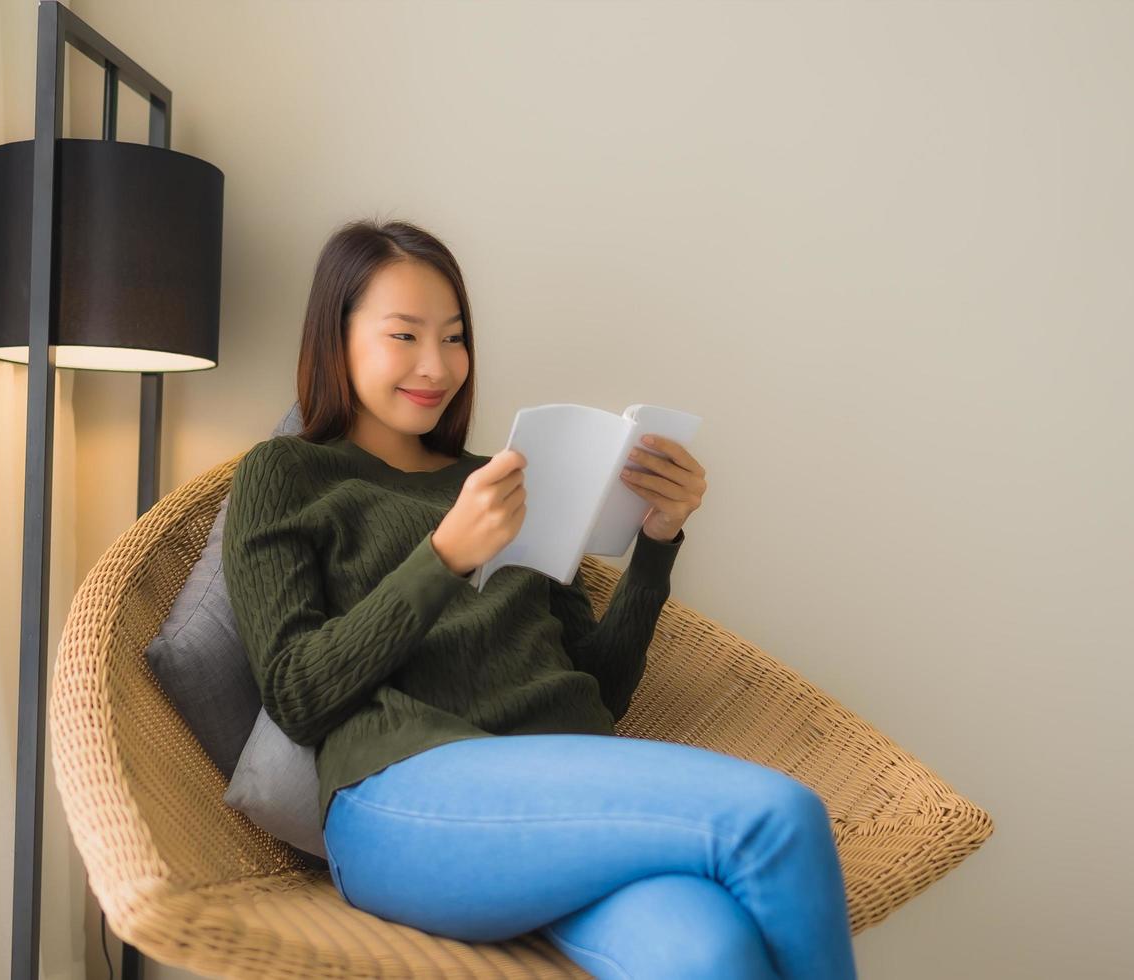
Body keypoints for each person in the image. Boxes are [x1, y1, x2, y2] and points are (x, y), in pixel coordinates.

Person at [222, 218, 858, 980]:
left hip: (563, 791)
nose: (438, 364)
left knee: (712, 951)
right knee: (778, 820)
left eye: (455, 338)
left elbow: (602, 689)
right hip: (407, 800)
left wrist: (657, 543)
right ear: (337, 335)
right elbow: (295, 692)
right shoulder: (287, 474)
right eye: (404, 335)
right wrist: (444, 558)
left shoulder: (509, 477)